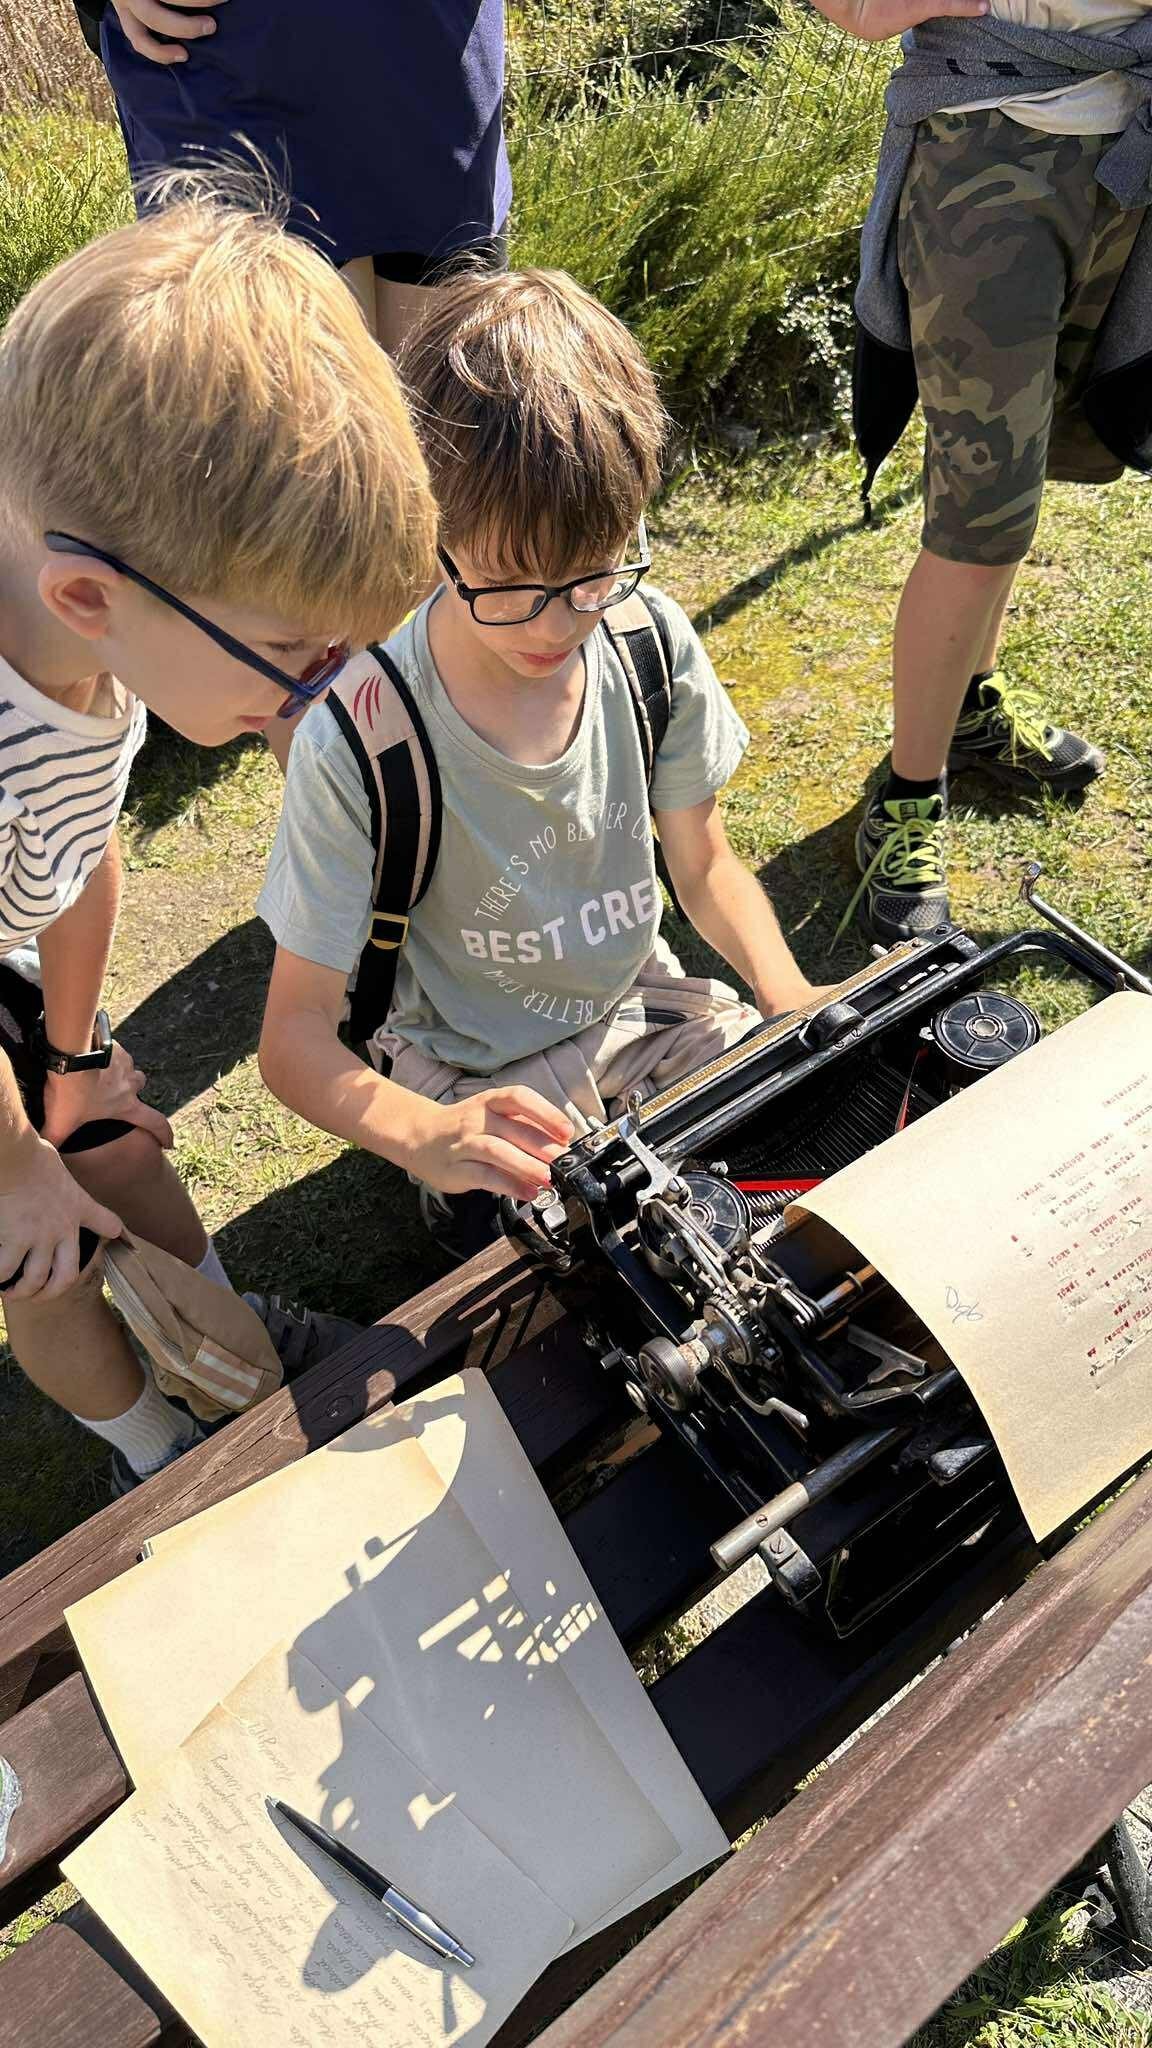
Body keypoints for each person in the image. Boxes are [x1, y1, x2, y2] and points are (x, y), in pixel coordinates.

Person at [0, 175, 436, 1487]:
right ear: (90, 596)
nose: (321, 693)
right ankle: (158, 1453)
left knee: (116, 1145)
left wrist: (72, 1053)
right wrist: (17, 1165)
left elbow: (81, 842)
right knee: (44, 1259)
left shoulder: (94, 634)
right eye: (297, 655)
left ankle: (232, 1347)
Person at [257, 268, 826, 1262]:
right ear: (429, 531)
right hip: (469, 1066)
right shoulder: (362, 736)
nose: (559, 624)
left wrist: (789, 998)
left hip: (637, 1009)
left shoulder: (647, 644)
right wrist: (427, 1135)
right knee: (593, 1277)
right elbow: (294, 1039)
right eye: (511, 584)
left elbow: (704, 867)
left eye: (592, 573)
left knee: (811, 1178)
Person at [814, 0, 1150, 945]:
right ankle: (906, 797)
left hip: (1121, 146)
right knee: (982, 515)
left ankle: (968, 704)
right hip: (988, 152)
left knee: (1016, 482)